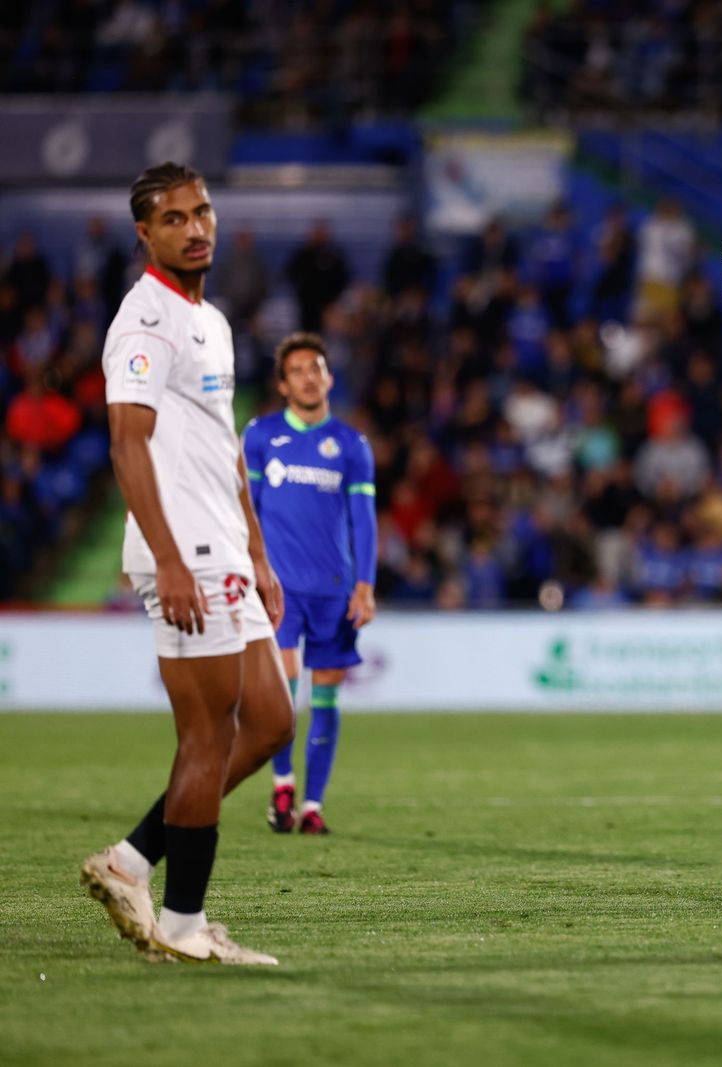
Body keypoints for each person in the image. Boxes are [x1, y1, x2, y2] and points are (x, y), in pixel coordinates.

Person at [79, 162, 294, 965]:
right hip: (182, 552)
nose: (195, 227)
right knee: (206, 736)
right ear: (146, 233)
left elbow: (220, 443)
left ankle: (131, 859)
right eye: (174, 218)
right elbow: (126, 442)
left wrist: (260, 549)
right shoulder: (144, 322)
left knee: (270, 722)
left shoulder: (212, 319)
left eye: (202, 211)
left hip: (225, 548)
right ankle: (181, 926)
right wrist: (168, 558)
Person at [243, 332, 377, 835]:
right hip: (280, 590)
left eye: (316, 367)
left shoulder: (351, 445)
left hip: (334, 589)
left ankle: (314, 805)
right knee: (282, 689)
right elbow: (247, 511)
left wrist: (365, 584)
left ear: (329, 377)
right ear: (282, 384)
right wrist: (249, 568)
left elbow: (364, 520)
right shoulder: (259, 436)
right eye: (297, 370)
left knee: (326, 697)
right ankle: (282, 782)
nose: (308, 376)